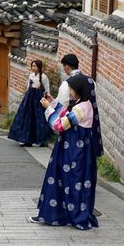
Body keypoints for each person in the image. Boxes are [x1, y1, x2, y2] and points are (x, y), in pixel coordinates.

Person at [29, 75, 98, 229]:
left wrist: (48, 109)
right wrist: (53, 102)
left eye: (71, 89)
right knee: (70, 182)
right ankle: (64, 214)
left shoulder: (80, 108)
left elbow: (59, 126)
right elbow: (67, 114)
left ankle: (64, 215)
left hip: (73, 151)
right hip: (74, 150)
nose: (70, 92)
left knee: (69, 182)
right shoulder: (83, 104)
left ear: (78, 89)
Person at [53, 54, 103, 159]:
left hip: (72, 124)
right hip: (90, 125)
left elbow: (62, 106)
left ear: (66, 66)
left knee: (70, 157)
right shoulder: (91, 81)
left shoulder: (67, 84)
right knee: (87, 157)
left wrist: (50, 106)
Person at [7, 60, 53, 147]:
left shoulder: (44, 77)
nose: (33, 68)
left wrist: (46, 100)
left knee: (40, 118)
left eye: (35, 66)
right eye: (32, 66)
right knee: (27, 118)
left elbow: (47, 90)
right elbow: (28, 87)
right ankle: (27, 139)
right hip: (29, 99)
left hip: (39, 99)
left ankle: (42, 140)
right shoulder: (31, 75)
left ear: (39, 67)